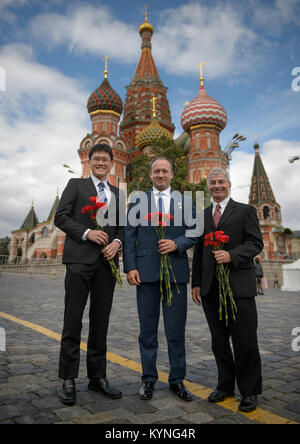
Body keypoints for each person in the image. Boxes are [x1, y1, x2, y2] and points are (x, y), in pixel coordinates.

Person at [124, 157, 199, 402]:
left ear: (171, 173)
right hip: (145, 274)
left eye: (164, 171)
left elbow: (195, 232)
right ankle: (148, 380)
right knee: (147, 331)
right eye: (156, 171)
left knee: (176, 332)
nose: (160, 174)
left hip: (175, 274)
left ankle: (177, 380)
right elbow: (129, 235)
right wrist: (130, 267)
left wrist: (177, 243)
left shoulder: (185, 201)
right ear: (151, 174)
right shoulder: (137, 200)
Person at [54, 143, 124, 405]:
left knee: (100, 322)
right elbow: (60, 218)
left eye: (105, 159)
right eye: (96, 159)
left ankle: (97, 377)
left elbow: (120, 228)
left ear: (111, 163)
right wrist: (87, 233)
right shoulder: (75, 185)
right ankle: (68, 378)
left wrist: (117, 244)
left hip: (107, 265)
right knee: (73, 319)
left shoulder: (118, 193)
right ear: (90, 161)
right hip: (79, 261)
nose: (101, 163)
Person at [192, 168, 264, 413]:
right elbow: (200, 253)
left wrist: (231, 255)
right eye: (213, 183)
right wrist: (197, 283)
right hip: (211, 288)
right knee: (219, 341)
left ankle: (249, 391)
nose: (217, 186)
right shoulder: (202, 215)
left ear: (229, 184)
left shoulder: (245, 211)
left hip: (239, 287)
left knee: (245, 340)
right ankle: (225, 385)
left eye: (221, 182)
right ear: (209, 187)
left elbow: (255, 243)